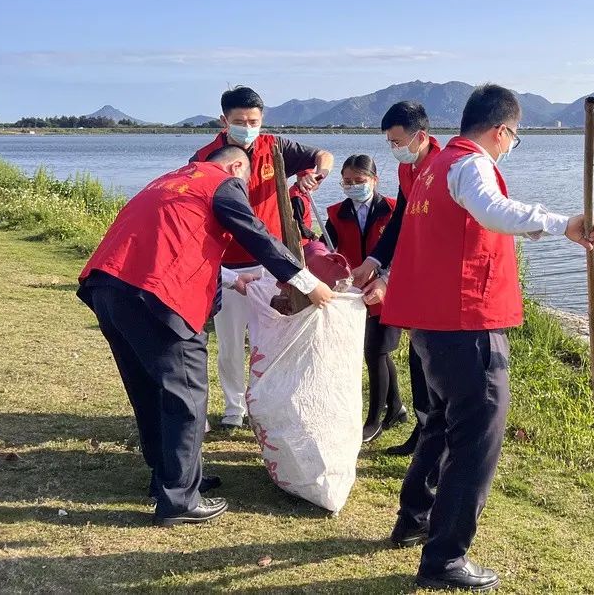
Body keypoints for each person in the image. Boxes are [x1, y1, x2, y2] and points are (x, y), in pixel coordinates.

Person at [379, 84, 594, 591]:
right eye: (513, 138)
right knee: (476, 436)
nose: (509, 146)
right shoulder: (469, 165)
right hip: (465, 322)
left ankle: (414, 516)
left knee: (441, 423)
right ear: (501, 130)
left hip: (433, 325)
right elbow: (493, 211)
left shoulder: (431, 167)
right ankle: (445, 558)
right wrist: (562, 222)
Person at [77, 146, 335, 527]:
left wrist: (231, 285)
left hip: (107, 287)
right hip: (156, 296)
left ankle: (171, 478)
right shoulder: (220, 183)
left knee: (150, 389)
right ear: (235, 167)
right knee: (186, 396)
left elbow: (185, 246)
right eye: (245, 182)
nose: (243, 190)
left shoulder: (170, 181)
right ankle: (179, 500)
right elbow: (258, 236)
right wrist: (306, 282)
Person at [191, 86, 334, 429]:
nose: (247, 126)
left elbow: (323, 155)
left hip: (272, 263)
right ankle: (233, 408)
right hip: (227, 266)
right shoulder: (205, 157)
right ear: (224, 120)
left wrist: (318, 173)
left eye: (254, 120)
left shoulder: (275, 148)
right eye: (239, 121)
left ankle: (267, 404)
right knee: (228, 343)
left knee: (270, 339)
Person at [350, 101, 442, 456]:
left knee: (432, 361)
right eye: (389, 141)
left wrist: (387, 277)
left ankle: (434, 439)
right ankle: (421, 431)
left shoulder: (443, 167)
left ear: (421, 135)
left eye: (398, 141)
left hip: (436, 281)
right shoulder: (409, 170)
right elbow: (401, 223)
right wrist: (373, 261)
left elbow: (429, 237)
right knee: (417, 359)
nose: (394, 148)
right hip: (414, 282)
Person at [324, 154, 407, 443]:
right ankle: (396, 407)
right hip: (356, 293)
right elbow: (327, 250)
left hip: (389, 289)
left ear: (374, 180)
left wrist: (385, 276)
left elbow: (405, 249)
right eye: (347, 182)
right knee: (377, 350)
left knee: (375, 352)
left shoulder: (395, 211)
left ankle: (374, 420)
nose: (353, 186)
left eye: (359, 181)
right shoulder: (336, 213)